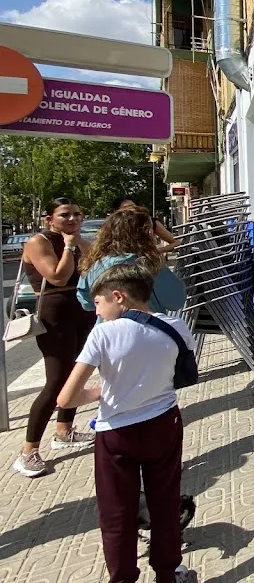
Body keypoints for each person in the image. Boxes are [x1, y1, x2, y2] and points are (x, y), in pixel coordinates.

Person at [57, 262, 197, 583]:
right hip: (164, 422)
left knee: (117, 513)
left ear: (118, 296)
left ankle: (122, 578)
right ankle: (168, 573)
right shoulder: (176, 326)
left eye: (98, 304)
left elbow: (65, 399)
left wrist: (102, 393)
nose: (97, 313)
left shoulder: (104, 334)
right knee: (164, 503)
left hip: (116, 433)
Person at [13, 198, 96, 478]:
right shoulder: (40, 242)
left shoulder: (78, 239)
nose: (72, 219)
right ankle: (28, 451)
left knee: (77, 375)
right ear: (50, 219)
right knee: (56, 380)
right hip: (54, 315)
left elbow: (98, 264)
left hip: (82, 312)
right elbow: (58, 277)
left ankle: (64, 431)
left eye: (77, 214)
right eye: (64, 215)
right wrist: (71, 247)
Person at [77, 206, 187, 317]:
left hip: (107, 329)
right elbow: (175, 301)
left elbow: (86, 303)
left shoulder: (94, 263)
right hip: (145, 327)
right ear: (145, 233)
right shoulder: (148, 264)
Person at [110, 197, 179, 251]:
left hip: (147, 263)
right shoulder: (113, 226)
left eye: (133, 206)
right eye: (125, 208)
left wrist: (157, 251)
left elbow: (176, 242)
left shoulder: (150, 222)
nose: (131, 210)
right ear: (117, 212)